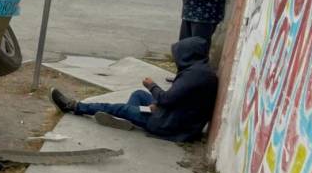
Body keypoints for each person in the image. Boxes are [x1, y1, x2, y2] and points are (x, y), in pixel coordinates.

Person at [50, 36, 218, 142]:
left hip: (167, 125)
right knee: (138, 95)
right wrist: (161, 105)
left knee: (116, 108)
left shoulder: (192, 76)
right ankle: (130, 117)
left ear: (188, 55)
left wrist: (152, 86)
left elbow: (166, 99)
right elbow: (180, 101)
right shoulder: (201, 71)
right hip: (175, 117)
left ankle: (73, 107)